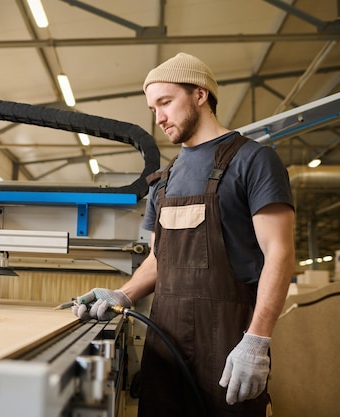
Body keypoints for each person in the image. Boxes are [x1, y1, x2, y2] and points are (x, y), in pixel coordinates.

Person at [72, 53, 295, 417]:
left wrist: (256, 340)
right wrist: (122, 294)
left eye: (166, 102)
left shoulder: (253, 161)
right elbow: (159, 259)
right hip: (166, 347)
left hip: (230, 348)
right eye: (152, 107)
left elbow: (280, 254)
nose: (158, 117)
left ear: (200, 95)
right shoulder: (165, 179)